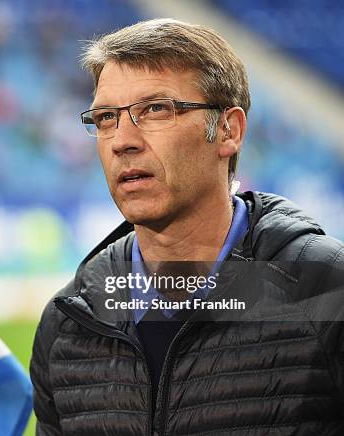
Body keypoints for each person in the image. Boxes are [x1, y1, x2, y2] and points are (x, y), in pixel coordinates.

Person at [30, 18, 344, 435]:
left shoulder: (327, 291)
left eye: (156, 109)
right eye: (106, 117)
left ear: (229, 131)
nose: (122, 140)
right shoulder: (69, 322)